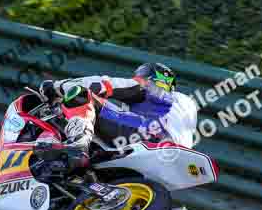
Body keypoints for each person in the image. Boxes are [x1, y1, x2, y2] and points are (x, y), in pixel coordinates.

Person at [32, 62, 198, 181]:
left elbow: (104, 84)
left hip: (151, 137)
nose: (136, 79)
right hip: (171, 161)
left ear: (151, 78)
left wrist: (57, 87)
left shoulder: (154, 91)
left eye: (139, 76)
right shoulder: (183, 106)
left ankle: (77, 146)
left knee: (81, 94)